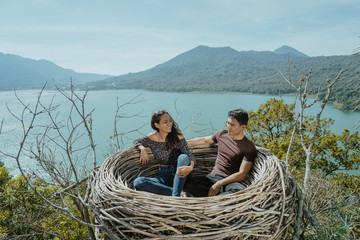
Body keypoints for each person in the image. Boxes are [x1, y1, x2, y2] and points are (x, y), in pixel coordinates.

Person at [185, 108, 257, 197]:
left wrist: (219, 184)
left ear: (242, 127)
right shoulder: (222, 135)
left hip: (230, 182)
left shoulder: (249, 147)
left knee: (240, 192)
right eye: (228, 123)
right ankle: (216, 198)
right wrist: (184, 142)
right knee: (186, 183)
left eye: (232, 125)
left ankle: (213, 199)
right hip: (212, 177)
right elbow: (204, 140)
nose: (228, 126)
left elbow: (242, 174)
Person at [133, 109, 195, 197]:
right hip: (164, 177)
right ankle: (178, 194)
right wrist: (142, 149)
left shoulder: (178, 137)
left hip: (181, 174)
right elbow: (136, 141)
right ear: (156, 125)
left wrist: (190, 167)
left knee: (183, 157)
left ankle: (175, 196)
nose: (170, 124)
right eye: (165, 122)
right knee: (138, 182)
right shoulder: (151, 138)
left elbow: (189, 156)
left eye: (170, 121)